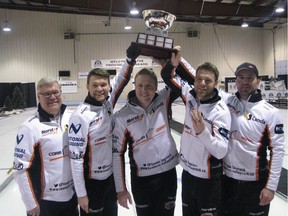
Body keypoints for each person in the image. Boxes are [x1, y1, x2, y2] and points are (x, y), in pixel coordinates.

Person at [68, 45, 140, 216]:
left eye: (103, 85)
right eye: (95, 85)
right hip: (91, 184)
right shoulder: (80, 117)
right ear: (87, 86)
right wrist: (81, 194)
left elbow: (122, 78)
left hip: (110, 181)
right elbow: (76, 160)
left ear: (108, 86)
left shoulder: (107, 103)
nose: (99, 89)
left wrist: (130, 60)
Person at [160, 48, 231, 216]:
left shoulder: (221, 111)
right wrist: (172, 64)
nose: (203, 84)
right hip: (187, 175)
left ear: (216, 83)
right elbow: (167, 78)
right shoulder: (190, 95)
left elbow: (221, 151)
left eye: (208, 80)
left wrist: (202, 132)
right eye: (199, 79)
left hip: (208, 181)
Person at [219, 62, 285, 216]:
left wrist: (271, 187)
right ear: (235, 81)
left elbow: (278, 151)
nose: (245, 81)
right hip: (227, 181)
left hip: (255, 185)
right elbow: (200, 76)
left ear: (258, 81)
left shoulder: (270, 112)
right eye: (241, 77)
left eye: (250, 78)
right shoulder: (226, 102)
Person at [112, 67, 180, 216]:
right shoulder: (122, 117)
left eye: (149, 86)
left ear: (156, 87)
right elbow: (117, 154)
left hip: (167, 176)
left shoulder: (164, 99)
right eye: (140, 85)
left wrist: (170, 63)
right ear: (134, 86)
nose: (144, 90)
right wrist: (121, 189)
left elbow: (180, 81)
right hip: (142, 180)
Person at [13, 77, 78, 216]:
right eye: (47, 94)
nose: (52, 97)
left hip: (71, 197)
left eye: (56, 92)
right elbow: (20, 169)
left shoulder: (72, 118)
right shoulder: (29, 127)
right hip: (45, 202)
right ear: (38, 97)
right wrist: (30, 203)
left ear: (61, 93)